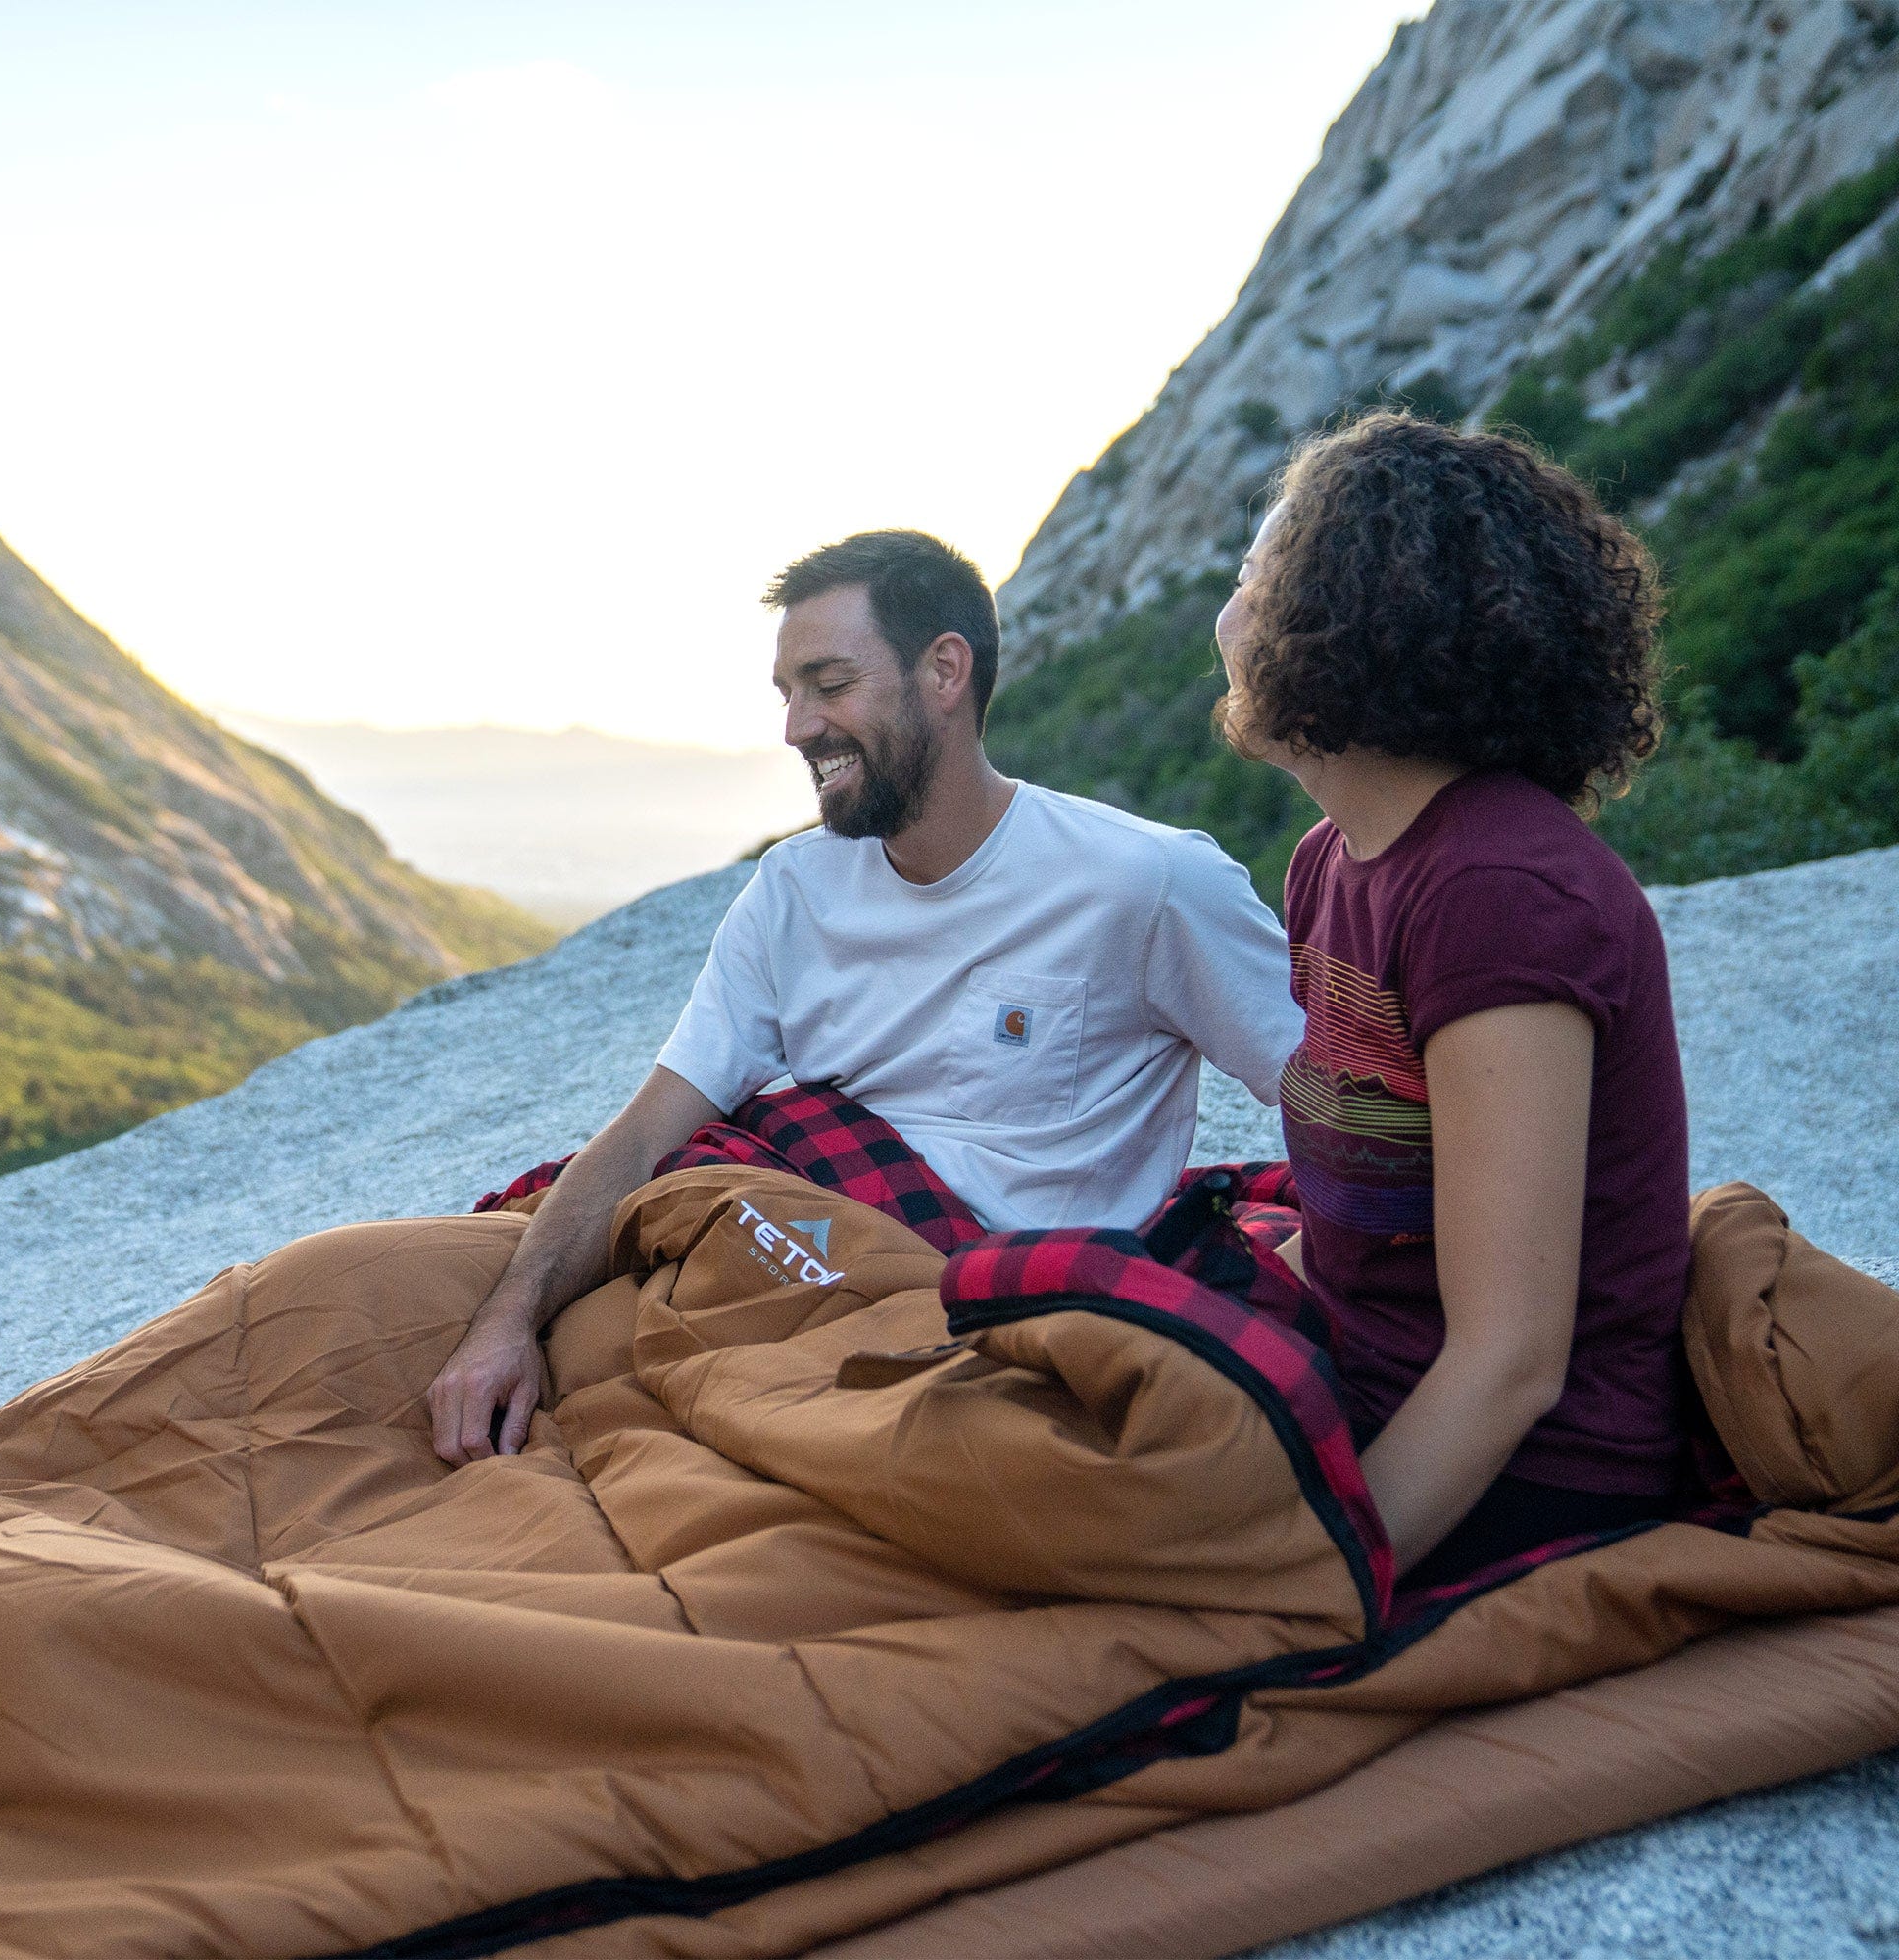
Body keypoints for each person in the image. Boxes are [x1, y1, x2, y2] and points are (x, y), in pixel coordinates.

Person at [431, 529, 1302, 1465]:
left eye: (830, 684)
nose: (798, 726)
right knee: (384, 1300)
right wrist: (505, 1322)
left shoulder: (1148, 882)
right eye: (788, 693)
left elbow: (1333, 1110)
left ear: (944, 671)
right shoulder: (792, 892)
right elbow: (650, 1134)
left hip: (993, 1337)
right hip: (796, 1273)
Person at [1215, 412, 1687, 1589]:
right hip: (1363, 1385)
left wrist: (1310, 1591)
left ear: (1337, 624)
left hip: (1527, 1474)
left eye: (1252, 578)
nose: (1222, 618)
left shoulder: (1500, 895)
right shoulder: (1333, 858)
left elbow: (1510, 1360)